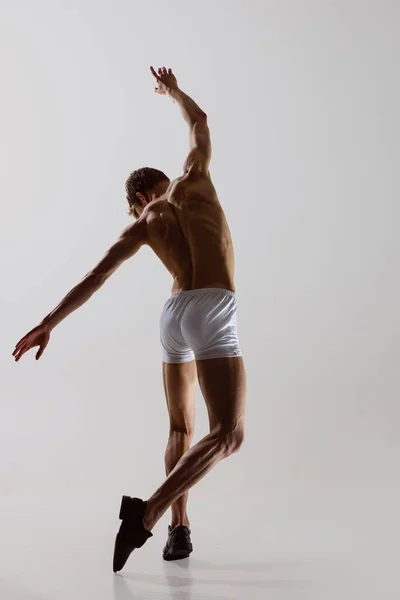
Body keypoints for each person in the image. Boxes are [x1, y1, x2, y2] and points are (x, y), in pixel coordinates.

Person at [13, 66, 247, 572]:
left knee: (180, 427)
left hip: (173, 315)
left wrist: (48, 322)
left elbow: (94, 279)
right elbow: (200, 121)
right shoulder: (193, 179)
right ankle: (148, 515)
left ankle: (179, 531)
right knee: (228, 433)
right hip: (211, 305)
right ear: (160, 183)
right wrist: (173, 92)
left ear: (138, 198)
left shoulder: (142, 225)